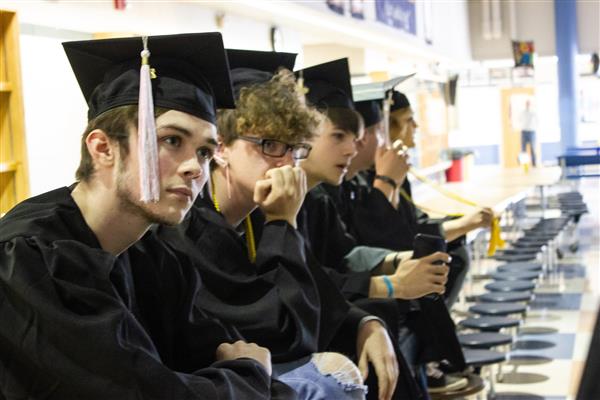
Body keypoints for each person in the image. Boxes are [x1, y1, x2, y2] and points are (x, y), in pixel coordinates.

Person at [0, 33, 296, 399]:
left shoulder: (153, 252)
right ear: (102, 147)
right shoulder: (32, 260)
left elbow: (215, 346)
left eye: (204, 152)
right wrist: (250, 375)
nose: (195, 167)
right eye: (172, 140)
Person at [133, 50, 400, 400]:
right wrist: (283, 224)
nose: (287, 162)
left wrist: (366, 323)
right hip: (210, 383)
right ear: (222, 147)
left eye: (294, 148)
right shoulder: (186, 229)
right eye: (270, 145)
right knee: (331, 382)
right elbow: (290, 333)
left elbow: (318, 301)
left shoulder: (258, 214)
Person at [518, 98, 538, 166]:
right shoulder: (522, 112)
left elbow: (537, 121)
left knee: (533, 148)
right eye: (527, 103)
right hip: (524, 131)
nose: (528, 105)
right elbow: (519, 120)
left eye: (529, 103)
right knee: (523, 149)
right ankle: (524, 164)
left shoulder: (533, 112)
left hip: (532, 131)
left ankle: (534, 164)